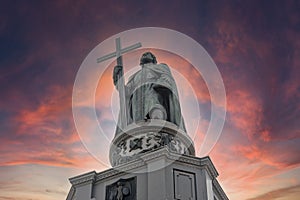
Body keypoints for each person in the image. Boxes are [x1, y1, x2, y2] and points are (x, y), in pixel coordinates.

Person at [113, 52, 186, 134]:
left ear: (154, 59)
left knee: (154, 103)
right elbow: (126, 92)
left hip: (153, 90)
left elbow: (166, 77)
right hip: (137, 100)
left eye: (148, 54)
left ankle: (158, 124)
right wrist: (118, 80)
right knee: (138, 120)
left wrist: (160, 83)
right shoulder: (135, 76)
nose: (144, 55)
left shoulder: (160, 67)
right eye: (143, 55)